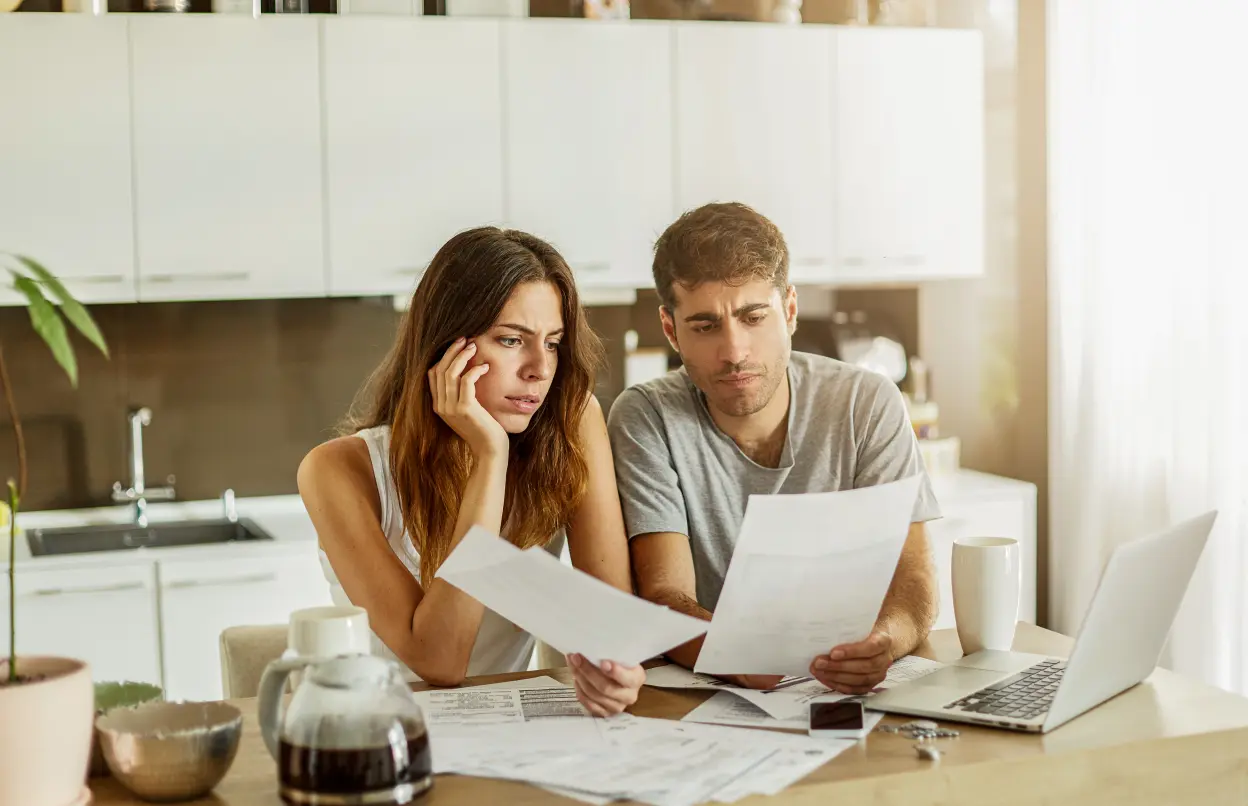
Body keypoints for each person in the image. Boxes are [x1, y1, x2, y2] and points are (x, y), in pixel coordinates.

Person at [298, 226, 644, 716]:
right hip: (378, 730)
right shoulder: (336, 471)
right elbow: (440, 663)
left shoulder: (569, 424)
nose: (540, 369)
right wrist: (490, 456)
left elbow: (612, 623)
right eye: (511, 340)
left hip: (507, 731)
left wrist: (615, 667)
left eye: (552, 343)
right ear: (446, 348)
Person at [607, 202, 941, 695]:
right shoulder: (645, 417)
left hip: (845, 688)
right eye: (705, 326)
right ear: (671, 329)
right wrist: (744, 656)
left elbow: (912, 577)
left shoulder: (867, 402)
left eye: (753, 317)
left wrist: (884, 642)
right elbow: (665, 594)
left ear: (789, 310)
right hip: (716, 689)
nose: (734, 352)